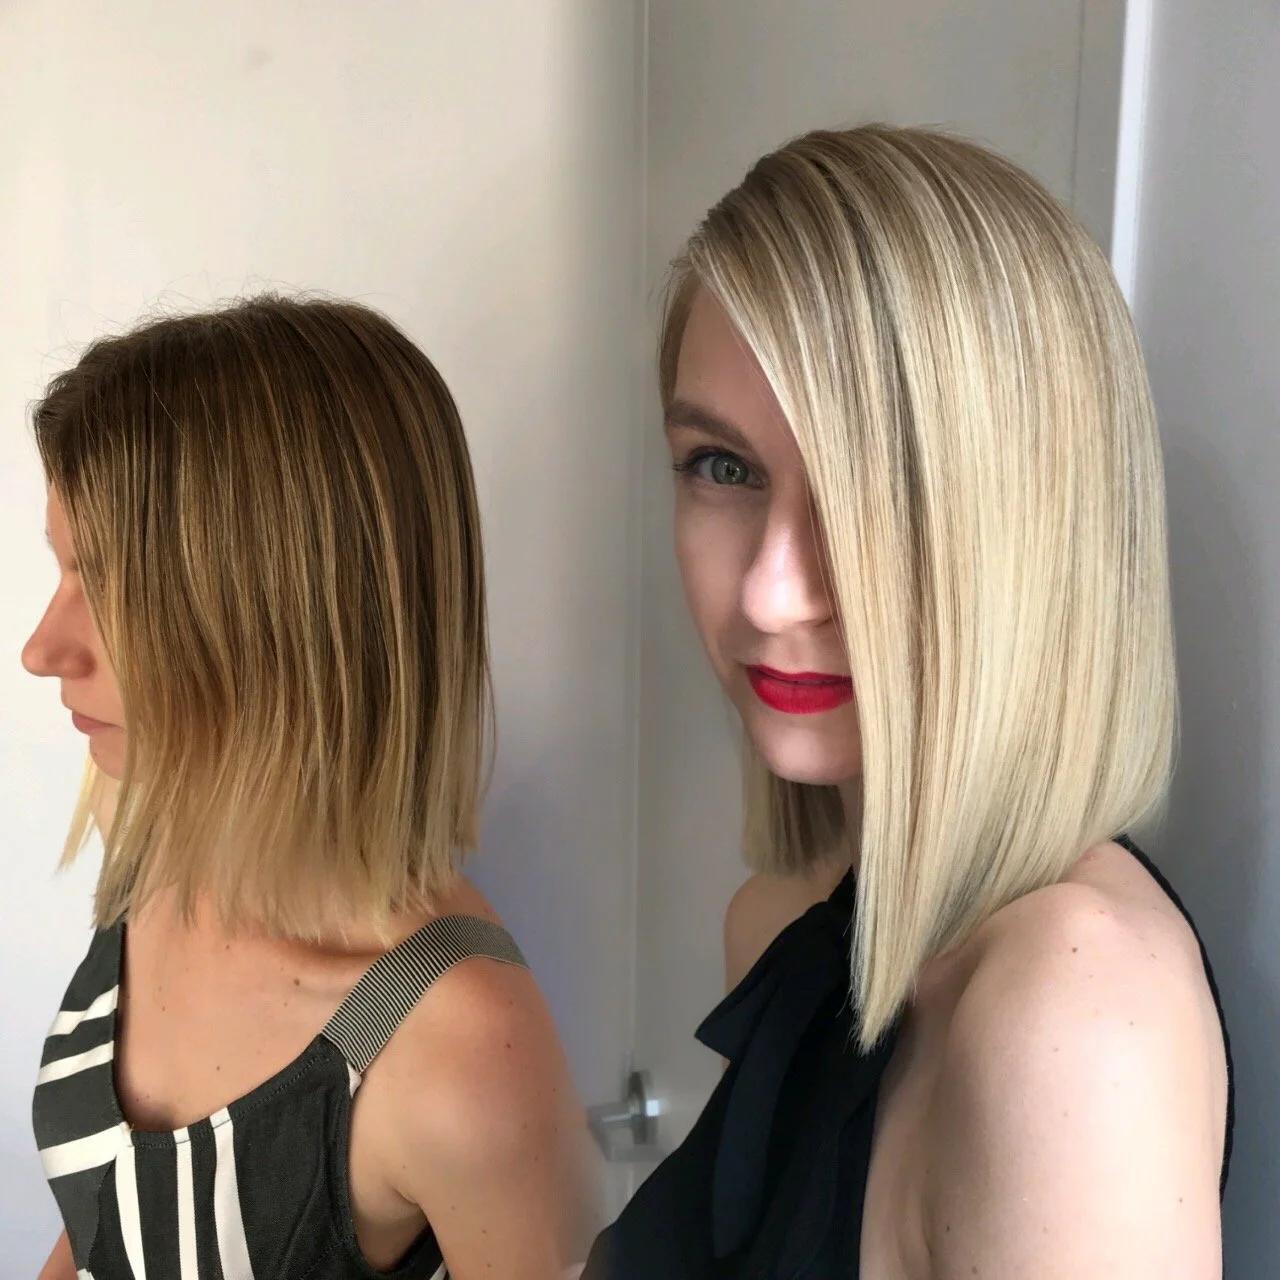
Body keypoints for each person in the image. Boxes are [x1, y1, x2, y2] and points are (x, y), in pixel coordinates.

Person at [583, 124, 1234, 1278]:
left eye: (874, 483)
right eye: (722, 467)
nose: (774, 591)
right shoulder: (792, 922)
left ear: (1033, 519)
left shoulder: (1072, 1022)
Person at [24, 295, 597, 1280]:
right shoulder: (167, 856)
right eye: (62, 569)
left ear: (278, 614)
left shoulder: (457, 1051)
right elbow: (111, 1217)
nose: (41, 647)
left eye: (109, 584)